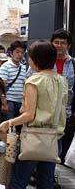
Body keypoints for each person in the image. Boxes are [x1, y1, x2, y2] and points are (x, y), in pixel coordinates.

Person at [0, 40, 67, 188]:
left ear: (35, 59)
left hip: (34, 137)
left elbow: (29, 114)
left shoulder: (34, 81)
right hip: (54, 137)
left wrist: (8, 123)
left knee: (19, 180)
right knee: (46, 181)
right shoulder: (61, 81)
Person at [50, 29, 75, 164]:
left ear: (68, 46)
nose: (59, 46)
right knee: (44, 145)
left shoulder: (73, 64)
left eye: (63, 43)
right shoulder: (44, 60)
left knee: (59, 148)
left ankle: (50, 173)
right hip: (45, 113)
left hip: (66, 113)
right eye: (56, 42)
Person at [0, 41, 27, 122]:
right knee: (7, 126)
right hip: (9, 101)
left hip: (20, 102)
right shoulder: (5, 67)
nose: (20, 54)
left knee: (18, 126)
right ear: (11, 53)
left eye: (22, 52)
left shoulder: (24, 68)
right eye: (17, 52)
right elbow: (1, 86)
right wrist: (4, 103)